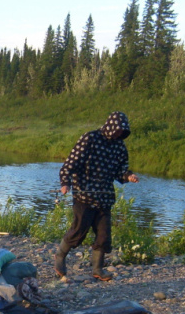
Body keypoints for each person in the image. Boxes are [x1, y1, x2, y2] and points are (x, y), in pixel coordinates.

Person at [55, 111, 139, 281]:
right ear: (110, 127)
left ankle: (98, 269)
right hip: (84, 195)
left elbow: (120, 170)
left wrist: (128, 175)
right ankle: (60, 257)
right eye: (117, 130)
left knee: (104, 235)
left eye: (122, 132)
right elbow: (70, 164)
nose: (119, 134)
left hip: (104, 197)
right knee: (79, 231)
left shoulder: (119, 146)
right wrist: (65, 183)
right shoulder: (90, 139)